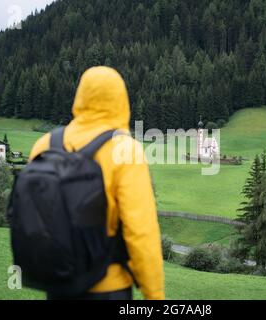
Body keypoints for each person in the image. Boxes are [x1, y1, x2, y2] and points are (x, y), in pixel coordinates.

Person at [29, 66, 165, 300]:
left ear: (80, 96)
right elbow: (141, 231)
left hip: (59, 286)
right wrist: (154, 294)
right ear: (121, 100)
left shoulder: (44, 144)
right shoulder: (125, 149)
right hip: (108, 287)